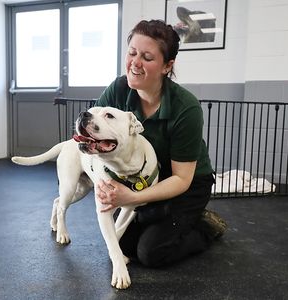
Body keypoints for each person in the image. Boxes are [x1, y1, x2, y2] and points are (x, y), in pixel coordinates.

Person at [95, 19, 227, 268]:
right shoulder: (118, 90)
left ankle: (205, 227)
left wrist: (131, 197)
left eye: (147, 57)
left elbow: (181, 179)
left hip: (186, 184)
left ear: (168, 66)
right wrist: (106, 184)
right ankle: (159, 216)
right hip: (144, 179)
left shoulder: (186, 107)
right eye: (132, 52)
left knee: (150, 252)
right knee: (122, 245)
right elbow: (94, 135)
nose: (135, 62)